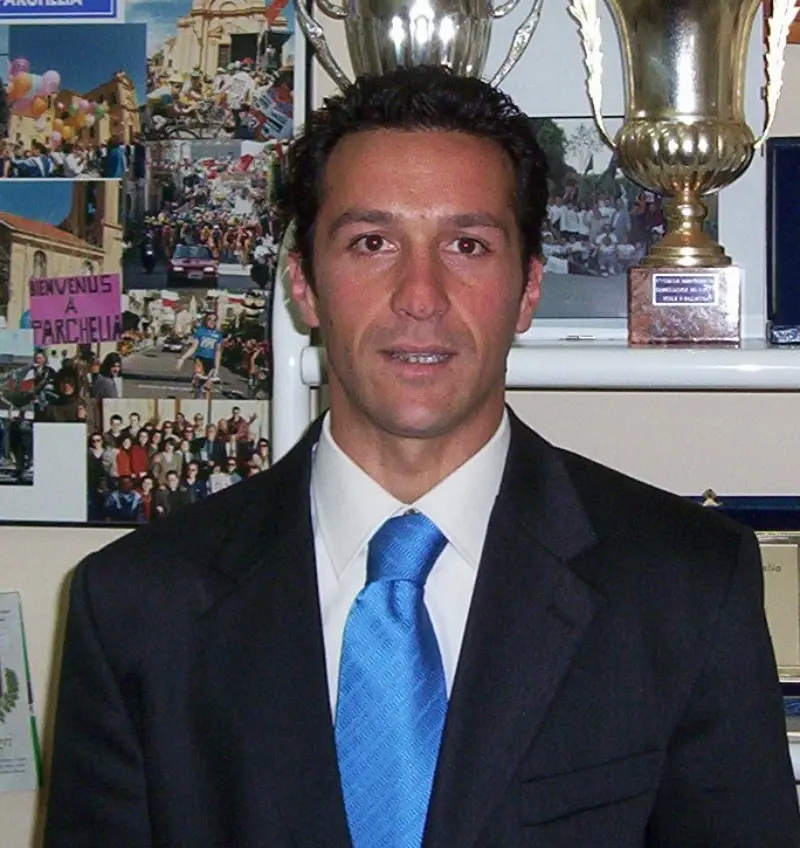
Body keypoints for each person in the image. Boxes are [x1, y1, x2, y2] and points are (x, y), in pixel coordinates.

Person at [45, 66, 799, 847]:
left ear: (528, 288)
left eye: (467, 245)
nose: (420, 295)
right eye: (371, 243)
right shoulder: (136, 607)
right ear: (304, 284)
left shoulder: (687, 587)